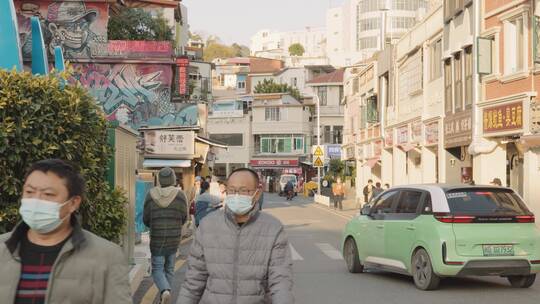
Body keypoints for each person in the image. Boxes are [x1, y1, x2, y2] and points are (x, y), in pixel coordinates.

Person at [0, 159, 131, 303]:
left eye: (48, 194)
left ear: (73, 203)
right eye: (29, 192)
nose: (36, 200)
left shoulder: (107, 256)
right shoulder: (3, 248)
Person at [177, 168, 294, 304]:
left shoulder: (273, 229)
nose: (237, 195)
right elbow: (193, 282)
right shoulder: (207, 226)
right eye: (232, 190)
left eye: (244, 190)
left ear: (257, 194)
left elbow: (281, 283)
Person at [143, 167, 188, 304]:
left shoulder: (150, 194)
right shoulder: (180, 195)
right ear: (173, 179)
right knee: (169, 268)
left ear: (160, 179)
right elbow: (184, 217)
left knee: (157, 269)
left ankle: (164, 291)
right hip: (174, 237)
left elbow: (146, 218)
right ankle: (166, 293)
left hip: (157, 237)